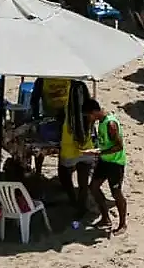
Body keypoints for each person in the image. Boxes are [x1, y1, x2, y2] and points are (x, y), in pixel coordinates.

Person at [83, 99, 128, 234]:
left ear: (94, 112)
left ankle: (122, 224)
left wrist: (98, 151)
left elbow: (119, 146)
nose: (89, 118)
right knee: (94, 187)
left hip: (115, 163)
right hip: (104, 161)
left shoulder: (111, 124)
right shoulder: (101, 121)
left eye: (89, 115)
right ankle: (105, 218)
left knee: (116, 193)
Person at [57, 81, 94, 228]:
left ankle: (73, 199)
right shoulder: (90, 108)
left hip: (70, 147)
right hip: (86, 147)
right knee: (83, 181)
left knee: (64, 174)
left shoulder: (69, 107)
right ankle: (81, 206)